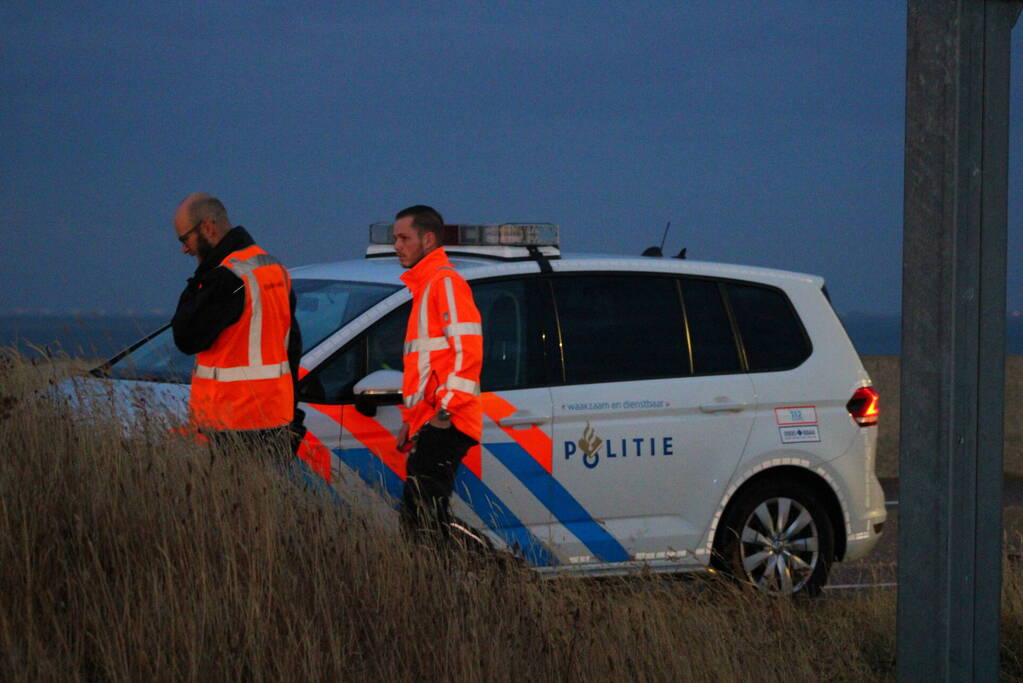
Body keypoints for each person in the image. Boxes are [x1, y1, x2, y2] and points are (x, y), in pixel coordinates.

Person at [170, 192, 305, 459]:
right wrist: (292, 417)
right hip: (275, 421)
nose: (185, 249)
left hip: (232, 426)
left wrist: (199, 277)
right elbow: (292, 347)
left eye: (185, 239)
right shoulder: (273, 268)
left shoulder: (226, 278)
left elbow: (186, 337)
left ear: (207, 228)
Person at [393, 205, 483, 541]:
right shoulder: (426, 286)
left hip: (448, 420)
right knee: (421, 521)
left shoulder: (445, 283)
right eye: (395, 238)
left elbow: (467, 352)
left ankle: (499, 570)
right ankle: (449, 581)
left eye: (404, 238)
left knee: (425, 521)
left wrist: (445, 412)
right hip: (432, 420)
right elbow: (426, 367)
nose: (397, 245)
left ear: (428, 240)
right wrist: (410, 419)